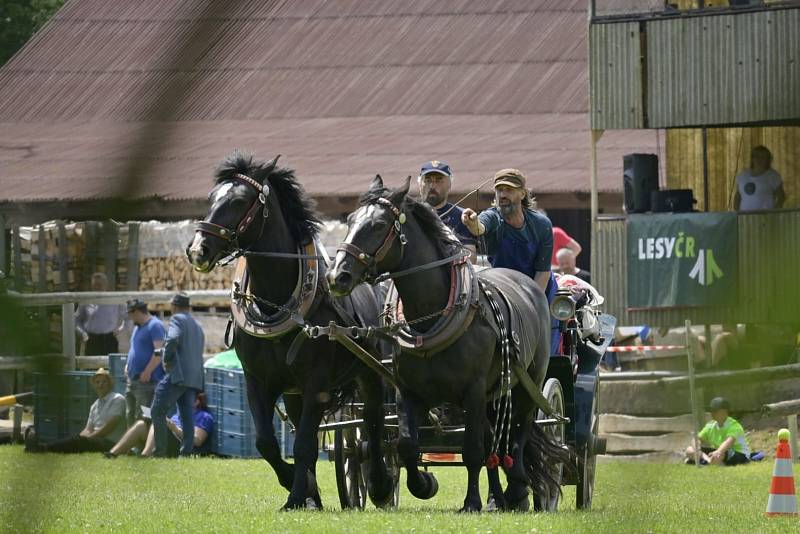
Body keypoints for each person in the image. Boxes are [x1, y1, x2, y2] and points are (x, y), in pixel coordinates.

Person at [461, 168, 560, 355]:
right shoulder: (492, 217)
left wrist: (531, 304)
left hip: (539, 286)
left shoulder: (541, 224)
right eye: (499, 190)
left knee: (546, 335)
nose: (503, 195)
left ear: (522, 194)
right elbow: (480, 227)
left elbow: (543, 271)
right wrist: (472, 223)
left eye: (509, 189)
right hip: (503, 287)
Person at [151, 293, 206, 457]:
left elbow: (173, 339)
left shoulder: (177, 319)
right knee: (187, 416)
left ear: (174, 306)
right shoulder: (197, 325)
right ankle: (186, 453)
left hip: (178, 375)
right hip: (193, 378)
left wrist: (166, 359)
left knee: (157, 411)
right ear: (187, 306)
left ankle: (160, 452)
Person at [25, 368, 126, 453]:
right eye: (97, 382)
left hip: (112, 442)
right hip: (96, 440)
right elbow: (88, 429)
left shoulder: (117, 399)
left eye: (104, 381)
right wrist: (81, 438)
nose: (100, 385)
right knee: (76, 440)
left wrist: (89, 438)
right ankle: (43, 447)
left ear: (110, 384)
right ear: (94, 386)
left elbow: (111, 425)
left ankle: (42, 448)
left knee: (79, 441)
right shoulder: (95, 405)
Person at [105, 392, 214, 458]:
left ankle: (146, 455)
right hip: (166, 442)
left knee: (158, 423)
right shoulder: (177, 415)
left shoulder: (203, 416)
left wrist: (175, 428)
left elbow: (198, 441)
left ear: (196, 402)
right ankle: (113, 453)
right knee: (141, 425)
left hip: (182, 448)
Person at [417, 160, 477, 258]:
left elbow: (470, 257)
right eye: (428, 180)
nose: (432, 186)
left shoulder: (462, 216)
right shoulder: (410, 215)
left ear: (449, 185)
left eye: (438, 180)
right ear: (420, 185)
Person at [124, 299, 165, 427]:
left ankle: (142, 444)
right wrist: (127, 366)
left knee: (143, 415)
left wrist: (147, 371)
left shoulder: (155, 325)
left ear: (136, 312)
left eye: (130, 314)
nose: (130, 318)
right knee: (130, 414)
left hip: (147, 381)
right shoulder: (138, 328)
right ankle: (132, 444)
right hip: (133, 379)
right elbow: (134, 348)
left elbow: (159, 352)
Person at [685, 397, 751, 466]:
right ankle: (709, 462)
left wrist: (718, 451)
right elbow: (696, 439)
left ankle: (706, 462)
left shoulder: (734, 425)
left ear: (724, 412)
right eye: (711, 410)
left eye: (714, 411)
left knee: (719, 455)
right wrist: (697, 449)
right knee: (689, 450)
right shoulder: (710, 425)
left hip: (739, 454)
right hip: (720, 452)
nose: (712, 413)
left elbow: (728, 442)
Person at [75, 273, 126, 355]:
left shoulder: (114, 300)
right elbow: (76, 320)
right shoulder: (86, 300)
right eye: (94, 285)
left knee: (111, 366)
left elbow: (128, 316)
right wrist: (82, 333)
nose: (96, 288)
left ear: (106, 285)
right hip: (92, 340)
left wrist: (121, 328)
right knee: (91, 366)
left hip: (110, 339)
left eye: (99, 285)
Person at [734, 145, 785, 212]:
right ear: (752, 158)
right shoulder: (742, 175)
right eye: (756, 156)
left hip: (765, 218)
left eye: (762, 157)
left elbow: (781, 197)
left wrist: (774, 213)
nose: (759, 159)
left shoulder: (773, 176)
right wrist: (737, 213)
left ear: (768, 160)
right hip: (744, 217)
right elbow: (737, 197)